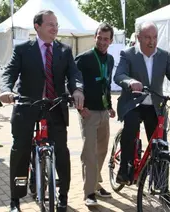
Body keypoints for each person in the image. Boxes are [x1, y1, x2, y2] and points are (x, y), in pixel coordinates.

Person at [0, 10, 84, 212]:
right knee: (20, 152)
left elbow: (74, 73)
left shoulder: (64, 50)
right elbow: (9, 73)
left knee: (62, 153)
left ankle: (62, 197)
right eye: (50, 24)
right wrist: (6, 90)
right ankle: (16, 200)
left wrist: (78, 89)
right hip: (27, 106)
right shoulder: (22, 49)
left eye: (56, 24)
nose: (55, 28)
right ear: (37, 26)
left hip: (54, 107)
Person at [114, 21, 170, 187]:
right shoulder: (128, 54)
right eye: (147, 37)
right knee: (131, 129)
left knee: (160, 144)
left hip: (155, 106)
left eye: (155, 37)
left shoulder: (164, 56)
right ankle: (124, 170)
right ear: (138, 38)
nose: (152, 41)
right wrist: (130, 82)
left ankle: (161, 187)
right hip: (133, 103)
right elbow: (119, 75)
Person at [74, 23, 115, 206]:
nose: (102, 42)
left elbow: (105, 84)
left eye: (106, 39)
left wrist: (110, 106)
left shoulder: (111, 59)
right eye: (100, 37)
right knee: (89, 153)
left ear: (111, 40)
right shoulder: (83, 59)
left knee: (102, 150)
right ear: (95, 37)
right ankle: (89, 193)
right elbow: (73, 83)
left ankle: (96, 184)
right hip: (88, 112)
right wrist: (80, 108)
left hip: (104, 111)